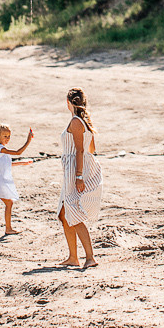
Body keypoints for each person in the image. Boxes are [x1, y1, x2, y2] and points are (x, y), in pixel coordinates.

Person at [57, 88, 102, 268]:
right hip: (74, 168)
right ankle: (73, 257)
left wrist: (79, 175)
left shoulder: (76, 122)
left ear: (68, 102)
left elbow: (81, 151)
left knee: (73, 212)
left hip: (75, 170)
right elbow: (92, 149)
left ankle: (90, 257)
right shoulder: (85, 121)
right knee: (63, 213)